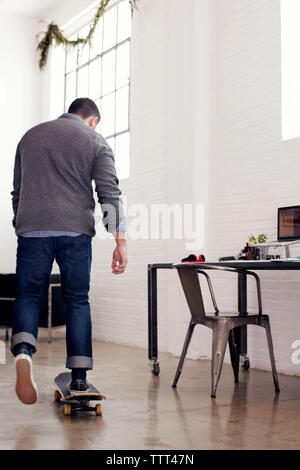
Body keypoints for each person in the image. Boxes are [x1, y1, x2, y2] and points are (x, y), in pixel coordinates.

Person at [10, 98, 127, 405]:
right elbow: (109, 193)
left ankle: (23, 352)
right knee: (76, 299)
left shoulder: (30, 137)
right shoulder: (95, 140)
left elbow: (17, 191)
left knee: (28, 295)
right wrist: (120, 241)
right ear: (91, 120)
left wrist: (21, 223)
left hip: (32, 229)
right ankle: (78, 377)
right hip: (75, 231)